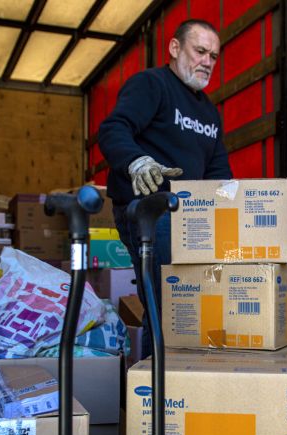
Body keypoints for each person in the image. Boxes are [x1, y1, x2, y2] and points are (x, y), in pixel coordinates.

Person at [98, 19, 233, 359]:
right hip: (150, 210)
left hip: (193, 219)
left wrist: (237, 209)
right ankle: (154, 396)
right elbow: (114, 128)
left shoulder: (209, 113)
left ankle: (185, 383)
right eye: (200, 51)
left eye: (213, 56)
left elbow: (219, 172)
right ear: (174, 48)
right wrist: (137, 162)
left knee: (196, 303)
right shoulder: (151, 85)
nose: (207, 61)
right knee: (170, 306)